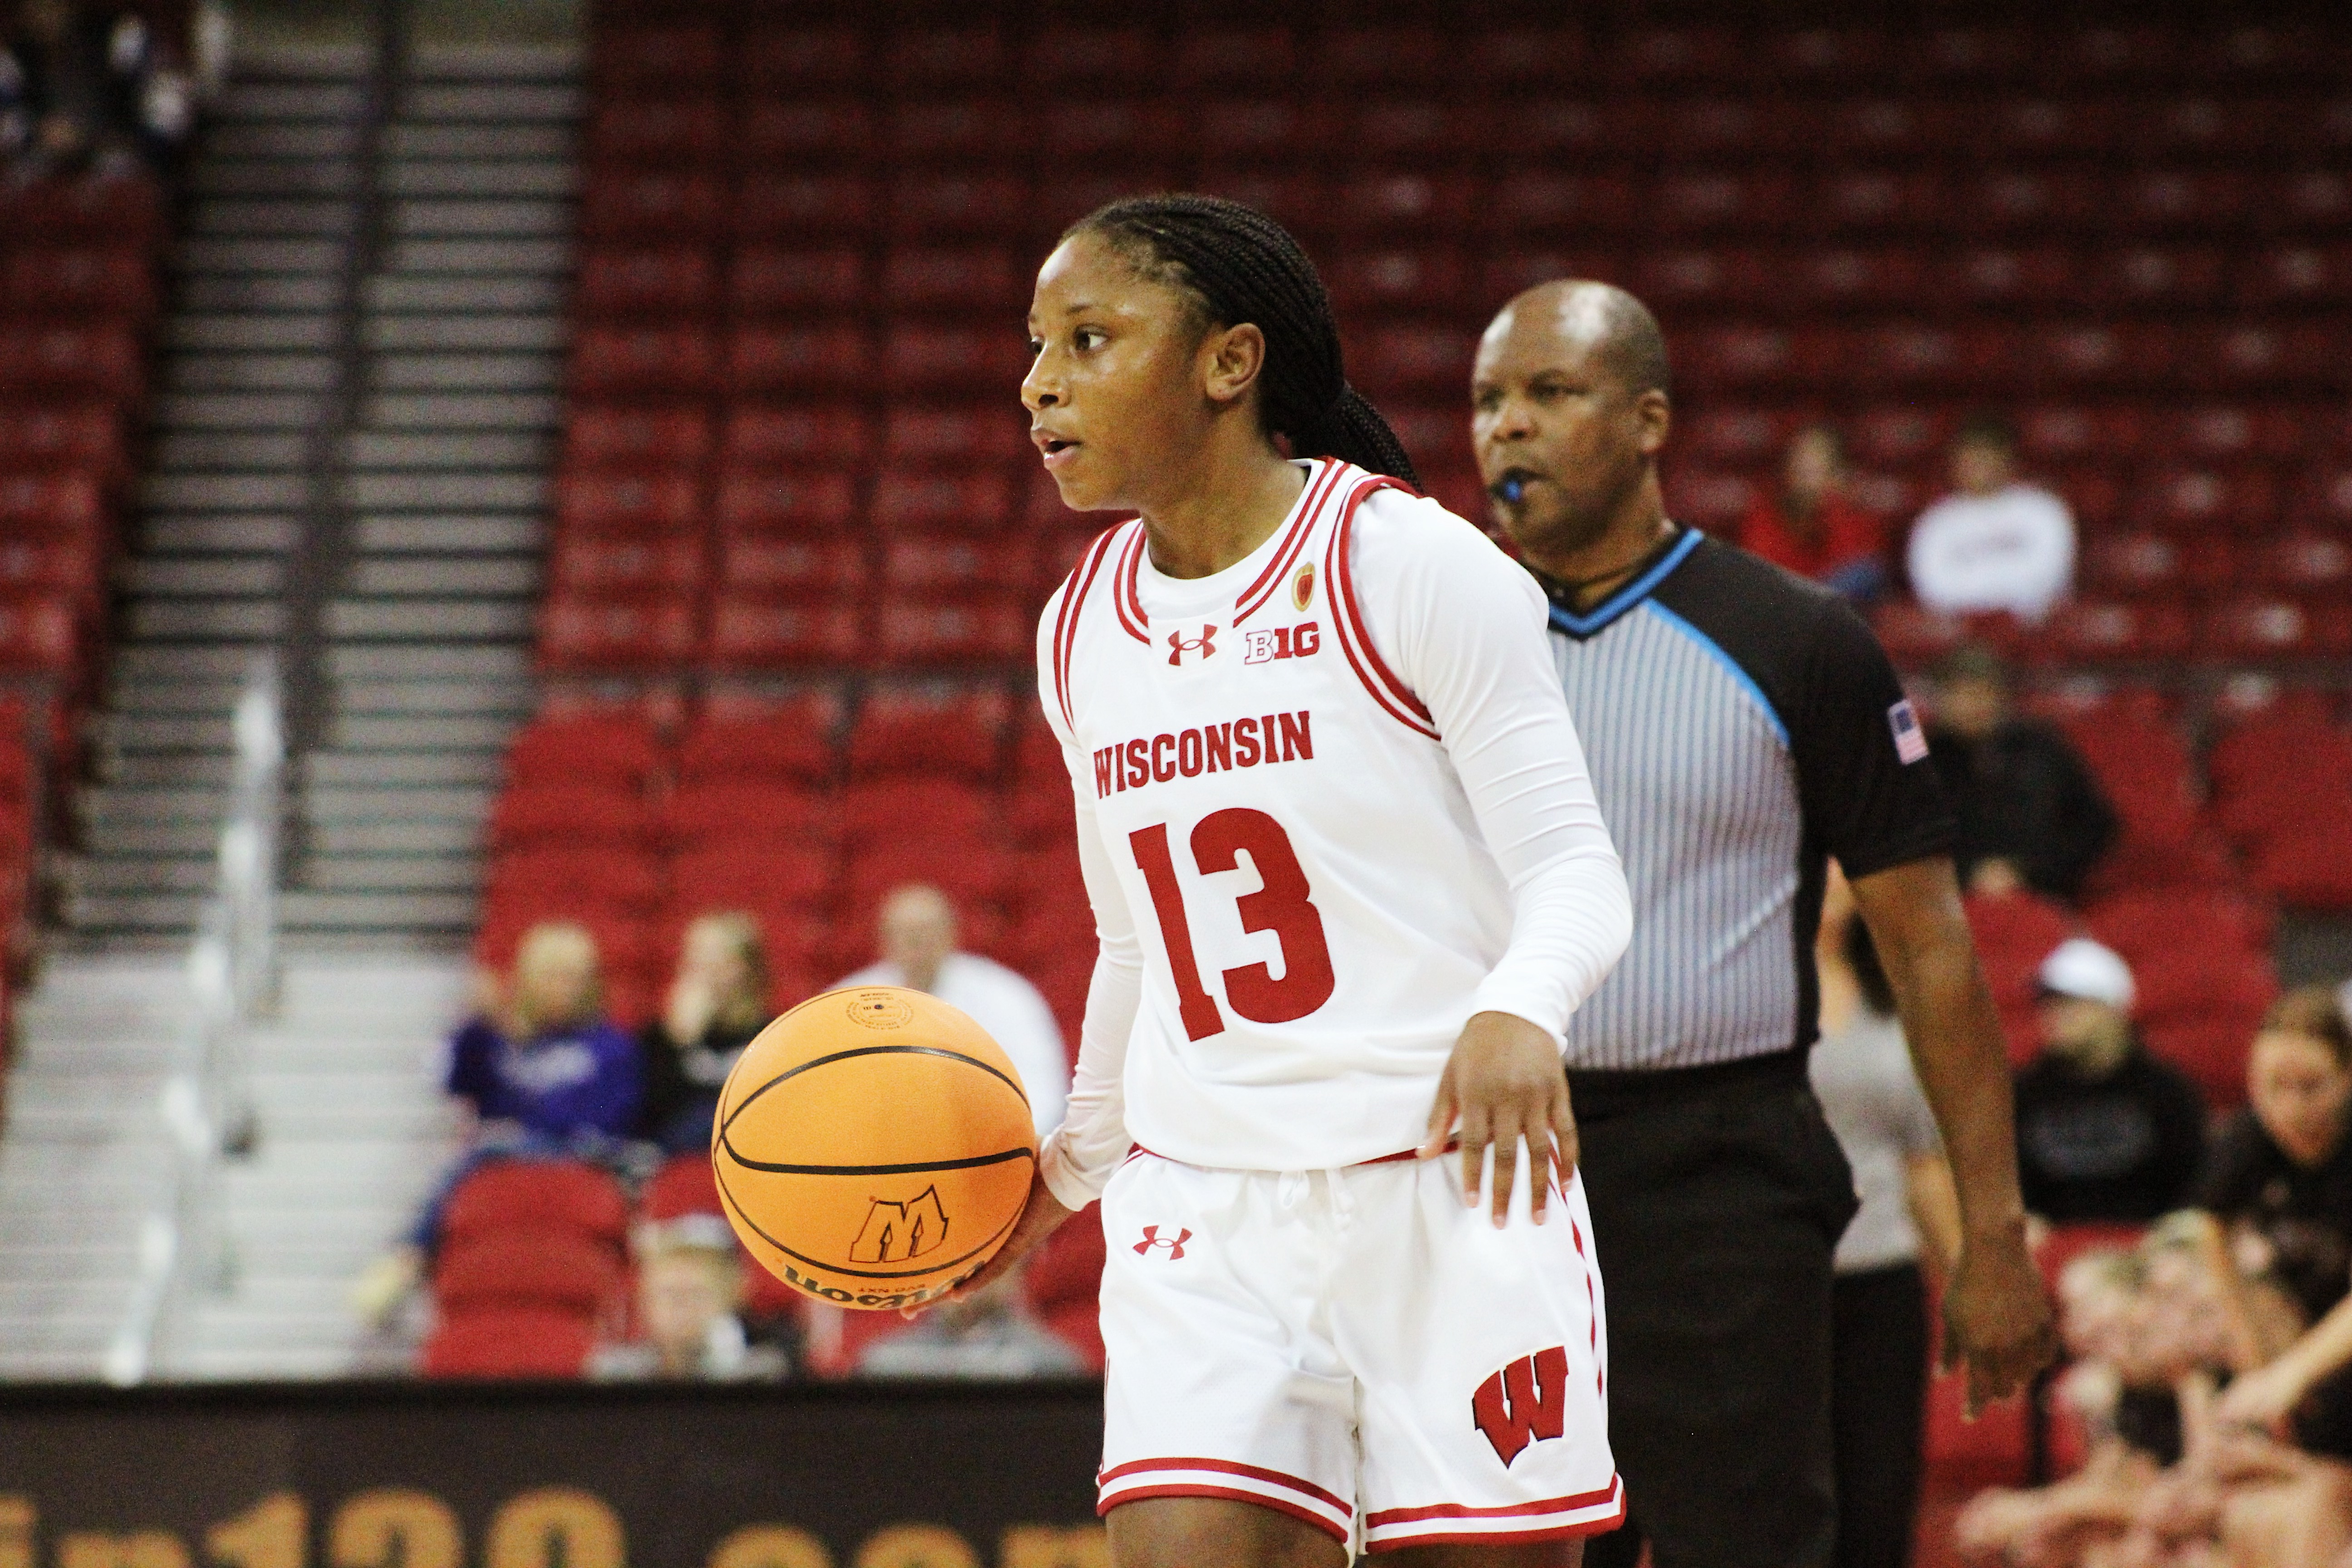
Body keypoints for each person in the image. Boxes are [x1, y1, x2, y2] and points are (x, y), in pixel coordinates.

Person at [967, 195, 1637, 1567]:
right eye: (1038, 346)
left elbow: (1574, 865)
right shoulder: (1081, 622)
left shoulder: (1409, 564)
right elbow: (1135, 935)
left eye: (1090, 340)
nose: (1040, 383)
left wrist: (1522, 1011)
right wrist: (1080, 1157)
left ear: (1230, 361)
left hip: (1448, 1189)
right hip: (1207, 1210)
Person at [1472, 278, 2053, 1568]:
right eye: (1489, 401)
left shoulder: (1799, 639)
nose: (1507, 427)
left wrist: (1996, 1236)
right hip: (1489, 1169)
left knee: (1744, 1546)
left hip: (1718, 1166)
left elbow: (1930, 947)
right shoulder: (1438, 635)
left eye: (1549, 393)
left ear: (1647, 421)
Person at [349, 921, 643, 1324]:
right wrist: (475, 1026)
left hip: (588, 1153)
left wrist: (531, 1128)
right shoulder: (501, 1040)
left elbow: (613, 1117)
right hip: (506, 1149)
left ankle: (409, 1253)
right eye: (552, 976)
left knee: (488, 1147)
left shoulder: (611, 1047)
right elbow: (459, 1085)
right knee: (480, 1150)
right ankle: (406, 1258)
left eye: (575, 977)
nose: (564, 988)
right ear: (526, 980)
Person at [1812, 867, 1962, 1568]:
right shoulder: (1741, 990)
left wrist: (1968, 1274)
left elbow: (1924, 1160)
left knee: (1878, 1502)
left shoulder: (1893, 989)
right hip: (1775, 1278)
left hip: (1882, 1278)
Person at [2205, 991, 2352, 1455]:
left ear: (2348, 1077)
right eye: (2272, 1087)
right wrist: (2252, 1352)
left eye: (2311, 1086)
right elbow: (2211, 1234)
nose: (2290, 1109)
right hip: (2289, 1317)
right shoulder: (2245, 1140)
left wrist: (2291, 1374)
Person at [832, 884, 1069, 1139]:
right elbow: (826, 1092)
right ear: (884, 939)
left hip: (987, 1150)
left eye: (928, 932)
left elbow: (1043, 1089)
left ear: (952, 933)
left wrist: (1005, 1146)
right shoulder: (843, 1003)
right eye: (907, 934)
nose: (918, 944)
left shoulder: (1007, 996)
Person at [2012, 938, 2205, 1225]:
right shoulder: (2024, 1094)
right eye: (2048, 1004)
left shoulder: (2167, 1094)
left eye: (2072, 1003)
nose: (2054, 1015)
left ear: (2114, 1009)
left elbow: (2190, 1189)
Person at [1924, 645, 2118, 905]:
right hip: (1944, 907)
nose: (1970, 705)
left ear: (2001, 697)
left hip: (2046, 900)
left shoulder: (2045, 750)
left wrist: (2025, 873)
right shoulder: (1917, 762)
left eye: (1981, 694)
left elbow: (2095, 826)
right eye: (1958, 694)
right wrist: (1969, 874)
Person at [1905, 415, 2075, 622]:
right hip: (1959, 635)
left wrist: (1998, 608)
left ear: (2006, 459)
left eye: (1985, 456)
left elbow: (2050, 574)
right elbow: (1931, 585)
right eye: (1970, 457)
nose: (1977, 466)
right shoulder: (1935, 520)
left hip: (2032, 631)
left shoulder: (2043, 509)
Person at [638, 912, 773, 1155]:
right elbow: (651, 1122)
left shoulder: (772, 1038)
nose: (700, 974)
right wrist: (680, 1042)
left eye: (713, 961)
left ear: (744, 969)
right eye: (692, 962)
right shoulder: (660, 1038)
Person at [591, 1215, 786, 1382]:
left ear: (732, 1297)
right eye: (669, 1295)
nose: (683, 1309)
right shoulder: (617, 1375)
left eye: (697, 1295)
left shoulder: (760, 1375)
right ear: (645, 1301)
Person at [1732, 423, 1888, 602]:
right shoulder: (1765, 511)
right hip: (1784, 606)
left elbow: (1859, 569)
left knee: (1865, 575)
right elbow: (1762, 572)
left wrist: (1832, 506)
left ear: (1836, 471)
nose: (1805, 467)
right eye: (1801, 459)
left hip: (1835, 612)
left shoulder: (1851, 511)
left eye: (1817, 461)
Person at [858, 1267, 1085, 1381]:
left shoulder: (1050, 1363)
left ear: (1022, 1266)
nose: (970, 1280)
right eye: (955, 1268)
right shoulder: (887, 1361)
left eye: (984, 1267)